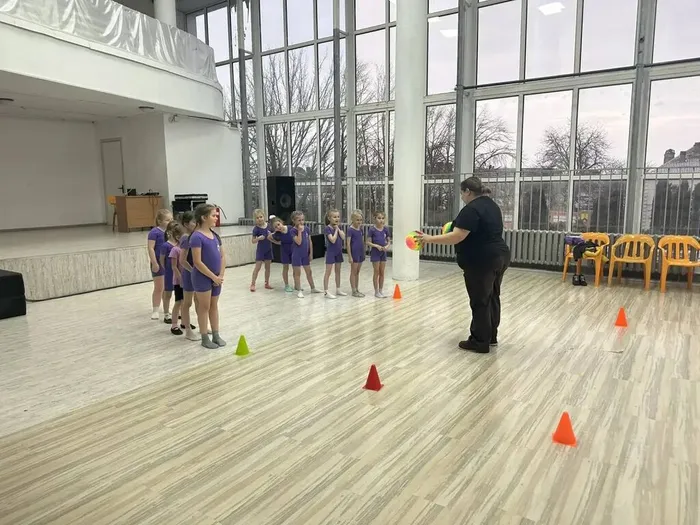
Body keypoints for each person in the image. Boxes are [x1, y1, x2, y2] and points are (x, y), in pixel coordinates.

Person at [417, 177, 511, 353]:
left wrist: (429, 238)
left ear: (468, 191)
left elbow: (457, 236)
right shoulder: (492, 205)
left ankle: (479, 342)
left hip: (482, 260)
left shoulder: (471, 209)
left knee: (480, 300)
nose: (461, 196)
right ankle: (490, 336)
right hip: (500, 256)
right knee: (492, 296)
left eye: (462, 193)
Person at [190, 204, 226, 349]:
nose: (216, 218)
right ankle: (205, 337)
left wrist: (220, 275)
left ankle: (216, 334)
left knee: (214, 306)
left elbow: (222, 256)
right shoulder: (196, 237)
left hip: (216, 278)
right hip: (202, 277)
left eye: (216, 215)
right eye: (213, 215)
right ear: (204, 218)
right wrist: (213, 277)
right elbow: (197, 262)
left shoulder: (215, 236)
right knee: (204, 307)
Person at [146, 209, 172, 320]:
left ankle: (166, 308)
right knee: (159, 287)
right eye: (167, 220)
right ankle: (155, 309)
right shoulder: (154, 232)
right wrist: (154, 263)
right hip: (158, 262)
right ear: (160, 221)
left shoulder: (171, 232)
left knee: (167, 288)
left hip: (168, 263)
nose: (170, 222)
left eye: (171, 219)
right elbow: (150, 248)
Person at [289, 211, 321, 299]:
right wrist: (299, 231)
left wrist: (311, 253)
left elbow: (309, 241)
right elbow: (298, 242)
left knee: (309, 272)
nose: (301, 222)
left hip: (305, 255)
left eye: (302, 220)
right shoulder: (292, 231)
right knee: (297, 273)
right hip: (296, 255)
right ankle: (299, 290)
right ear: (294, 221)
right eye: (299, 220)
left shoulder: (306, 229)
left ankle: (313, 288)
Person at [178, 211, 199, 340]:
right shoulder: (186, 238)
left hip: (196, 273)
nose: (196, 224)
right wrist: (192, 271)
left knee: (198, 301)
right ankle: (188, 330)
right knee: (187, 302)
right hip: (189, 274)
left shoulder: (195, 236)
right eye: (193, 222)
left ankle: (203, 325)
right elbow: (182, 260)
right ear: (186, 224)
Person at [322, 209, 347, 299]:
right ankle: (326, 291)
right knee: (328, 272)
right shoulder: (327, 228)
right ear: (329, 218)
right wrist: (336, 230)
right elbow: (332, 240)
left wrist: (338, 229)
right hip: (331, 252)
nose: (337, 219)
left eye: (338, 217)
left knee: (338, 271)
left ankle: (338, 289)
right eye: (334, 217)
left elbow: (343, 237)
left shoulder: (339, 227)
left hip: (338, 252)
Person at [367, 211, 391, 298]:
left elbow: (389, 241)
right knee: (376, 271)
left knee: (382, 272)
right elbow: (368, 242)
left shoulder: (385, 229)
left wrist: (387, 246)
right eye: (379, 218)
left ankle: (381, 290)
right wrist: (376, 246)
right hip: (375, 253)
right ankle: (376, 291)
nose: (381, 220)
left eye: (383, 218)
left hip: (383, 253)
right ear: (375, 219)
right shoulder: (372, 230)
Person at [168, 223, 186, 336]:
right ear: (178, 237)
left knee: (185, 302)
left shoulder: (186, 249)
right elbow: (174, 267)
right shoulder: (175, 250)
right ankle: (174, 324)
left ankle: (184, 322)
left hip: (187, 280)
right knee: (178, 302)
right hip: (179, 281)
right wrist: (180, 278)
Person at [250, 209, 274, 292]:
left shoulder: (269, 226)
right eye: (257, 218)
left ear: (264, 217)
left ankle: (267, 283)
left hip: (268, 249)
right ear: (255, 219)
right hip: (260, 250)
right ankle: (253, 283)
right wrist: (258, 238)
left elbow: (274, 235)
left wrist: (271, 235)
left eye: (261, 217)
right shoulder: (256, 229)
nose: (259, 219)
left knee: (268, 267)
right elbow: (253, 241)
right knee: (258, 267)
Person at [159, 222, 177, 324]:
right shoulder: (165, 245)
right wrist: (166, 269)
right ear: (169, 232)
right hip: (169, 273)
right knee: (168, 294)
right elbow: (162, 260)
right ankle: (166, 314)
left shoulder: (179, 244)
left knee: (179, 294)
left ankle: (178, 312)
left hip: (179, 273)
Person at [271, 216, 294, 293]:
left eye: (278, 224)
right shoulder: (277, 234)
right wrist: (277, 242)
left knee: (295, 267)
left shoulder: (290, 228)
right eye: (276, 227)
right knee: (285, 268)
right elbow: (269, 237)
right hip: (284, 251)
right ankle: (286, 285)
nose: (278, 227)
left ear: (281, 222)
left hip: (293, 250)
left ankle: (297, 284)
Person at [347, 210, 365, 297]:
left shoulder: (360, 229)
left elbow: (362, 241)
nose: (359, 222)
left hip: (360, 252)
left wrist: (363, 252)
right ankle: (353, 290)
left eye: (360, 220)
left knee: (357, 272)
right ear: (352, 219)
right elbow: (348, 244)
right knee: (353, 272)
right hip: (354, 253)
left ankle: (357, 289)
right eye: (357, 220)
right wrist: (350, 256)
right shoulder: (350, 230)